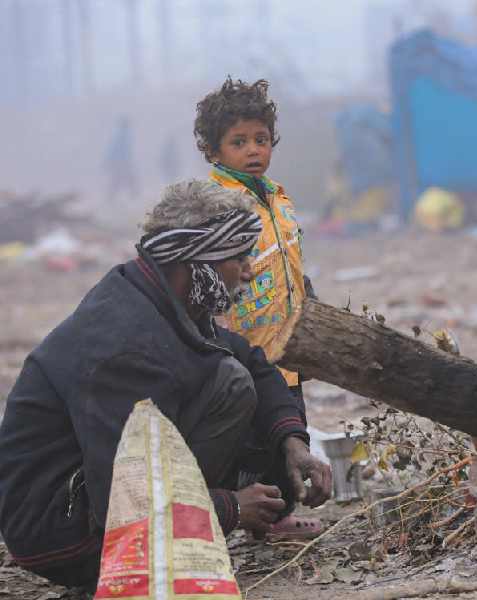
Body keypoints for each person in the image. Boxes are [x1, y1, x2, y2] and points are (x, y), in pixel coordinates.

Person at [0, 181, 332, 588]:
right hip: (61, 530)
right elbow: (117, 500)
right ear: (197, 263)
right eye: (238, 257)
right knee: (228, 380)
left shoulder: (165, 297)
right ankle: (158, 547)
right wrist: (230, 509)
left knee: (231, 376)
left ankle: (184, 523)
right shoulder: (125, 348)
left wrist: (292, 440)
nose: (248, 270)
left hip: (96, 493)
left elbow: (248, 357)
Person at [194, 77, 313, 401]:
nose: (253, 150)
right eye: (239, 142)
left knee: (293, 434)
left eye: (261, 139)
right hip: (241, 359)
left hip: (290, 353)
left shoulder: (279, 199)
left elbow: (291, 264)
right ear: (213, 150)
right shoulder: (212, 206)